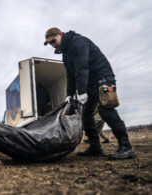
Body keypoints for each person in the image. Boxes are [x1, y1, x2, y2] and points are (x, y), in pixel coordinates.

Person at [44, 27, 136, 159]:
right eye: (50, 43)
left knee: (106, 110)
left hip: (102, 77)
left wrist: (81, 91)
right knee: (86, 115)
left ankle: (126, 147)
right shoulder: (66, 55)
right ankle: (95, 147)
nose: (53, 44)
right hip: (89, 83)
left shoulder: (78, 42)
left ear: (60, 34)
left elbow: (82, 66)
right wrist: (69, 95)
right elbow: (71, 75)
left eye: (54, 40)